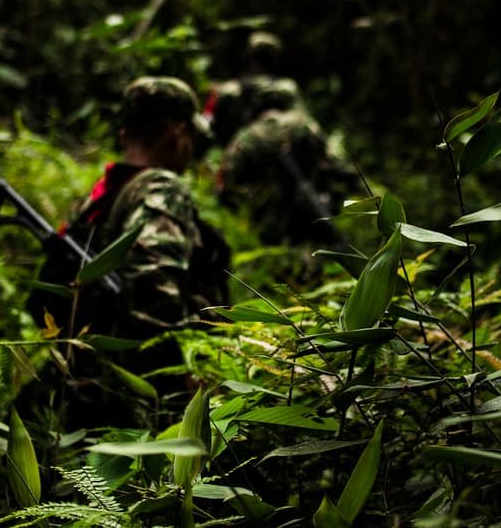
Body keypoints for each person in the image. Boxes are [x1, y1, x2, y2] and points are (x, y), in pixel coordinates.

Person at [20, 76, 230, 429]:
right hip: (137, 390)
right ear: (177, 131)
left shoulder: (98, 198)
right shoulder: (162, 188)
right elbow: (154, 281)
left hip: (85, 376)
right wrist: (182, 371)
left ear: (124, 136)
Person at [208, 32, 357, 252]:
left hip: (246, 154)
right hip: (281, 157)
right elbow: (312, 134)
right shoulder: (286, 88)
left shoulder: (228, 90)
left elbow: (214, 128)